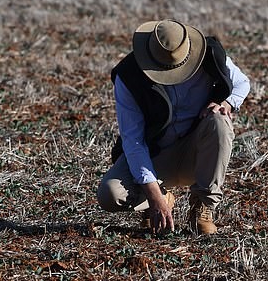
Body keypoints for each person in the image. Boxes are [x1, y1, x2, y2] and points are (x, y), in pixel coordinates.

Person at [97, 19, 250, 235]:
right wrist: (154, 195)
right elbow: (133, 141)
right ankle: (162, 196)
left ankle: (202, 207)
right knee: (110, 194)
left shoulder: (210, 54)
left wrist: (226, 103)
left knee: (220, 121)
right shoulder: (129, 75)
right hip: (156, 155)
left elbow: (242, 83)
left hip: (196, 151)